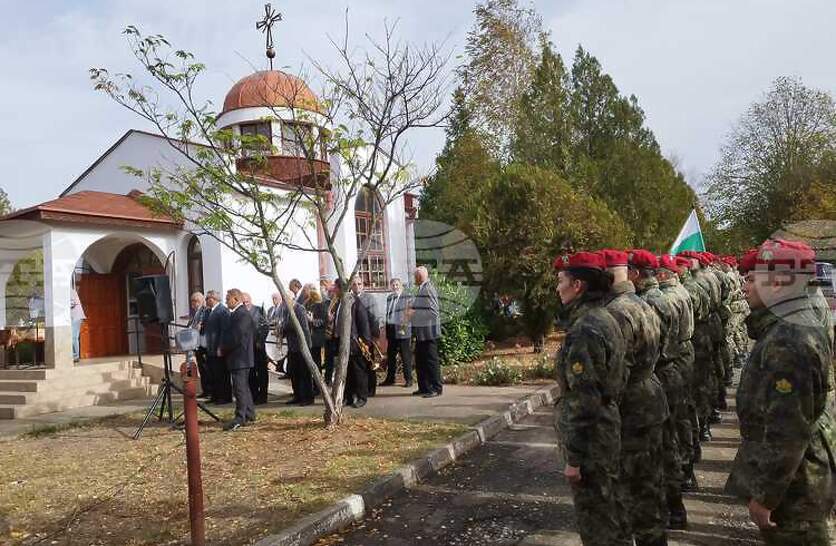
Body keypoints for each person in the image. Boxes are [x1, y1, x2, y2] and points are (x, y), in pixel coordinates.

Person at [725, 239, 835, 545]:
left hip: (797, 488)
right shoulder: (791, 324)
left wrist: (766, 497)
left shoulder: (789, 338)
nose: (745, 286)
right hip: (799, 480)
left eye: (754, 277)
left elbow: (789, 429)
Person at [552, 251, 630, 546]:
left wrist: (574, 458)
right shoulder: (606, 317)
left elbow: (585, 399)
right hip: (606, 430)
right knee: (613, 514)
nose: (557, 288)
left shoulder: (585, 328)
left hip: (593, 443)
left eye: (561, 280)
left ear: (578, 286)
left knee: (598, 523)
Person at [602, 249, 668, 546]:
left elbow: (614, 373)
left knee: (632, 490)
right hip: (650, 396)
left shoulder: (616, 311)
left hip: (632, 406)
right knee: (649, 485)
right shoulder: (642, 303)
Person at [220, 288, 256, 431]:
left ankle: (240, 417)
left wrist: (223, 347)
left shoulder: (241, 314)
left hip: (240, 357)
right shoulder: (237, 314)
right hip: (239, 357)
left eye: (228, 298)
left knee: (239, 388)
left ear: (235, 299)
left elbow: (236, 336)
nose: (226, 301)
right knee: (243, 387)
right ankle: (249, 412)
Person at [333, 279, 372, 408]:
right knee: (347, 372)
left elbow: (363, 322)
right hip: (343, 343)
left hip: (355, 343)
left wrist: (365, 343)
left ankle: (362, 397)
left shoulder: (354, 301)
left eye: (336, 288)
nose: (334, 290)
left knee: (358, 371)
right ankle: (348, 397)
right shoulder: (339, 301)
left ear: (341, 288)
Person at [410, 266, 442, 398]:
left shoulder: (428, 289)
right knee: (421, 361)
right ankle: (424, 387)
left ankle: (436, 388)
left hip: (429, 333)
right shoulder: (422, 288)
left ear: (419, 276)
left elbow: (433, 312)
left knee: (431, 361)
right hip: (422, 334)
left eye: (415, 276)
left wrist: (415, 313)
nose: (414, 279)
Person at [381, 277, 414, 387]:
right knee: (391, 356)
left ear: (401, 286)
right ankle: (390, 379)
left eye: (396, 285)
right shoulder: (389, 297)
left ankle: (408, 379)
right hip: (391, 330)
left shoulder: (407, 297)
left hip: (403, 330)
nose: (395, 287)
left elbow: (409, 313)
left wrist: (404, 328)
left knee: (405, 356)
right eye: (393, 285)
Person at [283, 291, 314, 405]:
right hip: (292, 347)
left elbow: (304, 328)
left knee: (304, 373)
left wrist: (305, 347)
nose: (284, 301)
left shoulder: (299, 309)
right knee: (294, 372)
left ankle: (307, 397)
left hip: (301, 346)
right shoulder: (286, 310)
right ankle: (297, 395)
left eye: (286, 299)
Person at [351, 277, 380, 396]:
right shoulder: (350, 298)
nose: (357, 286)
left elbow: (374, 317)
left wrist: (374, 336)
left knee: (369, 362)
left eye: (359, 284)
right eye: (354, 284)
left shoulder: (369, 298)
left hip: (367, 336)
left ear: (363, 285)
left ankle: (371, 389)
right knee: (359, 365)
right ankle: (360, 389)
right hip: (356, 336)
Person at [203, 290, 231, 404]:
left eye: (207, 299)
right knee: (213, 373)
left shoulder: (222, 311)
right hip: (210, 347)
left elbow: (224, 330)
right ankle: (215, 395)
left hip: (218, 347)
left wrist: (221, 346)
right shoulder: (209, 311)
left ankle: (224, 396)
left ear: (213, 299)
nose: (206, 301)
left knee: (221, 374)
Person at [242, 292, 269, 405]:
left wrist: (260, 341)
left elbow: (265, 327)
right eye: (243, 302)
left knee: (262, 372)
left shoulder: (259, 310)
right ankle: (254, 395)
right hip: (246, 348)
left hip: (257, 347)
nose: (245, 304)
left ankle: (263, 396)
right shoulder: (241, 312)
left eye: (246, 302)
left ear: (250, 300)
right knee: (251, 373)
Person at [187, 292, 211, 399]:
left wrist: (197, 327)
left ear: (200, 301)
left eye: (195, 301)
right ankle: (205, 390)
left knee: (206, 368)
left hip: (203, 343)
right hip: (196, 344)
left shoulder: (204, 311)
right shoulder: (195, 312)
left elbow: (200, 326)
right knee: (201, 368)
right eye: (192, 301)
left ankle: (210, 390)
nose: (193, 304)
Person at [70, 285, 86, 362]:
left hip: (76, 316)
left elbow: (72, 304)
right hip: (73, 317)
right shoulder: (67, 291)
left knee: (74, 337)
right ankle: (74, 355)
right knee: (72, 337)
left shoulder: (71, 291)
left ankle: (75, 356)